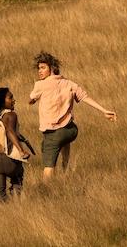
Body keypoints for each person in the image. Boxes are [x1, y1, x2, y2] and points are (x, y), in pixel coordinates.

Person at [28, 51, 117, 180]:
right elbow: (85, 97)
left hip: (53, 132)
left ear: (52, 68)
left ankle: (45, 191)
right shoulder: (70, 84)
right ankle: (65, 170)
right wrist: (104, 111)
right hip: (70, 131)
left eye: (43, 68)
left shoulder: (40, 85)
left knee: (48, 166)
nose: (39, 71)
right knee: (63, 138)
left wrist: (32, 100)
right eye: (38, 68)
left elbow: (31, 99)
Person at [0, 87, 31, 202]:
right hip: (8, 158)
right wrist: (21, 151)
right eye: (10, 97)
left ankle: (0, 215)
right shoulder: (10, 114)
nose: (14, 100)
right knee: (17, 179)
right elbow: (9, 130)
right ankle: (16, 204)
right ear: (1, 101)